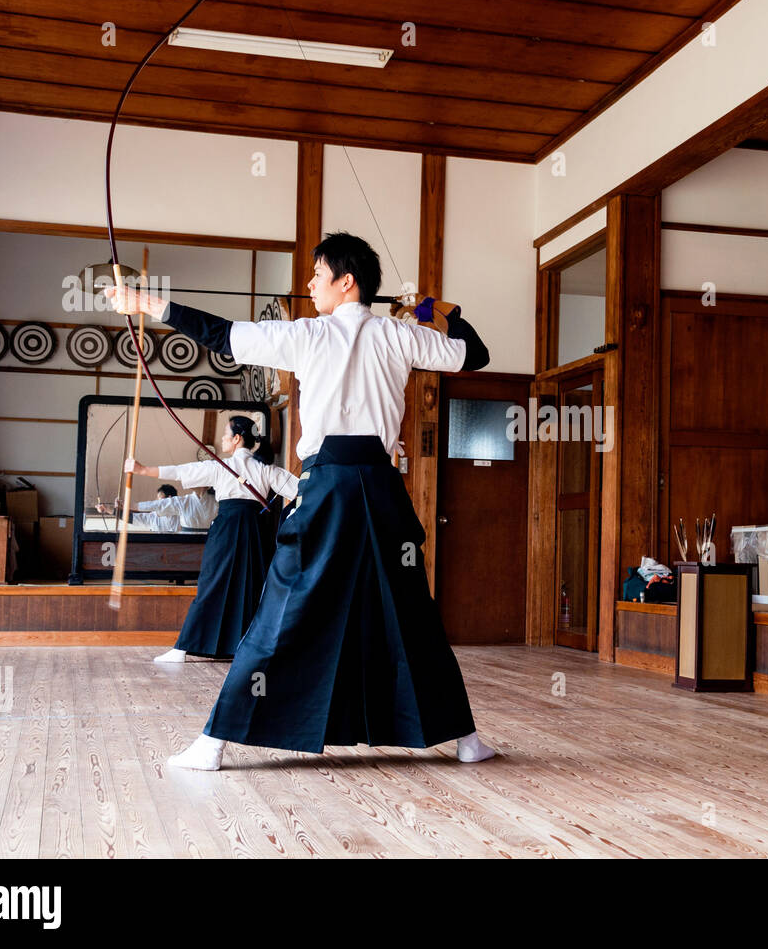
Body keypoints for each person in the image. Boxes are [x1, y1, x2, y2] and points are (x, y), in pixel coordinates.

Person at [107, 231, 495, 770]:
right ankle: (467, 741)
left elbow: (220, 335)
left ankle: (214, 744)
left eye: (318, 273)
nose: (310, 283)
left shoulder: (308, 335)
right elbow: (474, 354)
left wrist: (145, 305)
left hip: (331, 484)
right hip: (381, 490)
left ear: (346, 281)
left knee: (284, 602)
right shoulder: (401, 334)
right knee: (410, 607)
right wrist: (435, 308)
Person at [126, 416, 298, 663]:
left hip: (228, 527)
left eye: (226, 435)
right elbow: (300, 490)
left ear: (237, 439)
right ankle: (255, 648)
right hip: (257, 531)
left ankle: (182, 648)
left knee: (212, 583)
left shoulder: (222, 466)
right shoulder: (265, 468)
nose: (223, 440)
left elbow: (182, 471)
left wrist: (143, 470)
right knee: (255, 584)